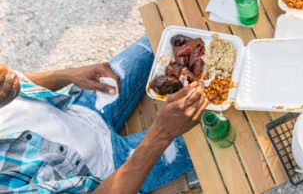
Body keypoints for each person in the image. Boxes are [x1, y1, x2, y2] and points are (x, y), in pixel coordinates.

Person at [0, 36, 209, 193]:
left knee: (163, 36)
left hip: (81, 107)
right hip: (114, 172)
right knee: (218, 130)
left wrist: (66, 75)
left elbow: (13, 81)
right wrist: (161, 135)